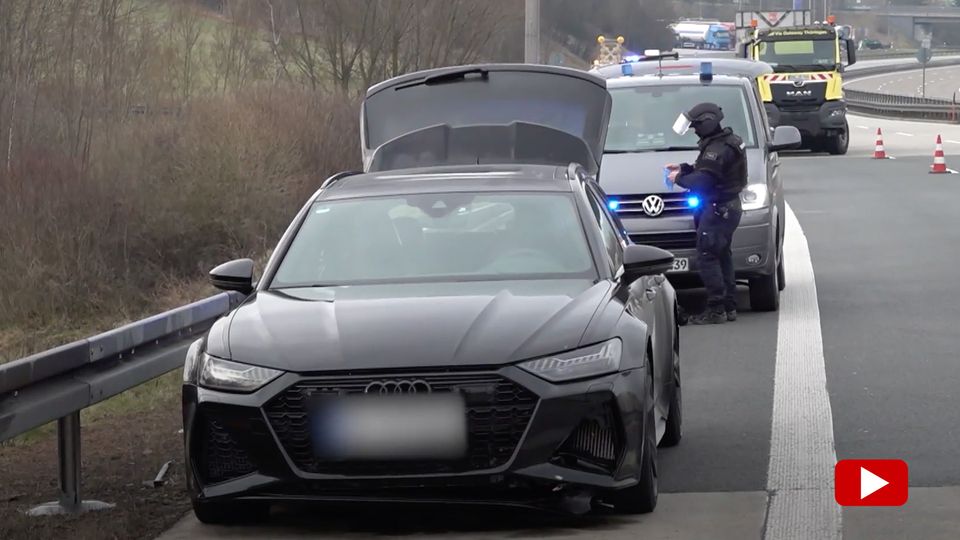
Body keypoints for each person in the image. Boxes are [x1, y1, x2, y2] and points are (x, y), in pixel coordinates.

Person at [665, 102, 747, 325]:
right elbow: (707, 171)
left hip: (718, 210)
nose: (695, 131)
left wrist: (679, 179)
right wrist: (684, 168)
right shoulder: (724, 144)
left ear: (708, 123)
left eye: (696, 126)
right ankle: (729, 306)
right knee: (722, 255)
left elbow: (703, 181)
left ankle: (716, 309)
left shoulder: (717, 150)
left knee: (707, 256)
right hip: (727, 208)